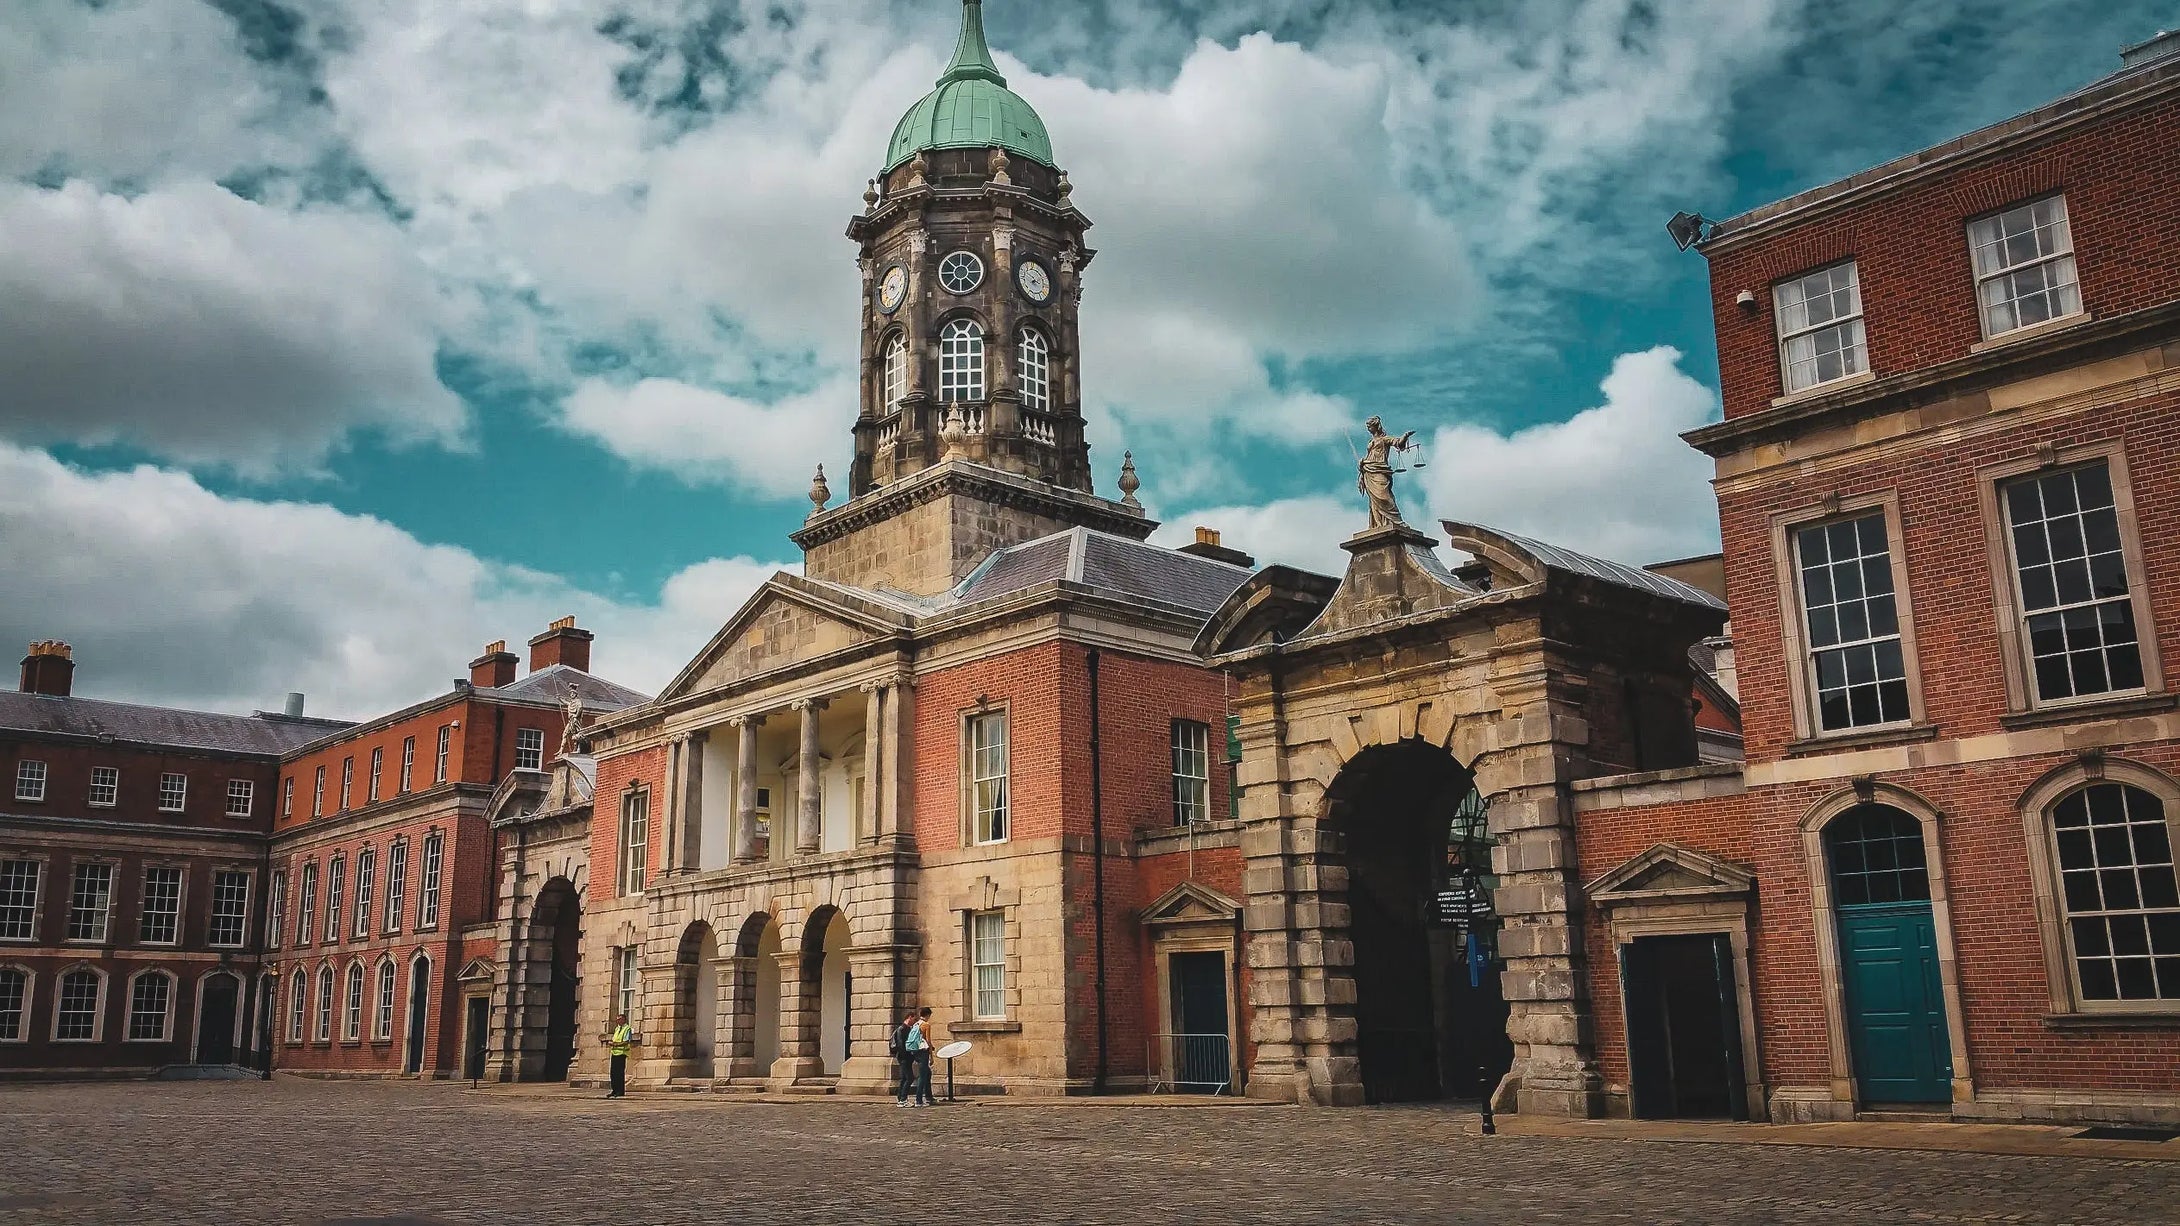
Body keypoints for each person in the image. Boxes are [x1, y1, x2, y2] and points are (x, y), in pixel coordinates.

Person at [602, 1013, 638, 1098]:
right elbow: (615, 1038)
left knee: (619, 1073)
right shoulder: (617, 1028)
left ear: (624, 1020)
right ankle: (614, 1090)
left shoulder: (627, 1028)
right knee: (613, 1073)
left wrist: (615, 1044)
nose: (617, 1021)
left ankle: (620, 1091)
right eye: (617, 1019)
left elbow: (626, 1041)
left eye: (619, 1019)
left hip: (622, 1053)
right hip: (614, 1052)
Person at [909, 1007, 937, 1107]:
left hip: (915, 1050)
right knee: (922, 1075)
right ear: (928, 1015)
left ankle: (929, 1097)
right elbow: (928, 1041)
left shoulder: (916, 1024)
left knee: (927, 1073)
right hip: (923, 1052)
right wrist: (931, 1056)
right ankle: (919, 1100)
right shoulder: (926, 1025)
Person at [891, 1010, 919, 1107]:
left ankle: (901, 1098)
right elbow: (901, 1044)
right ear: (910, 1017)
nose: (914, 1022)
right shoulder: (902, 1029)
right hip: (904, 1057)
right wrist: (908, 1054)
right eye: (914, 1019)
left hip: (906, 1057)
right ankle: (903, 1099)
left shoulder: (907, 1028)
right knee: (909, 1077)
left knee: (904, 1078)